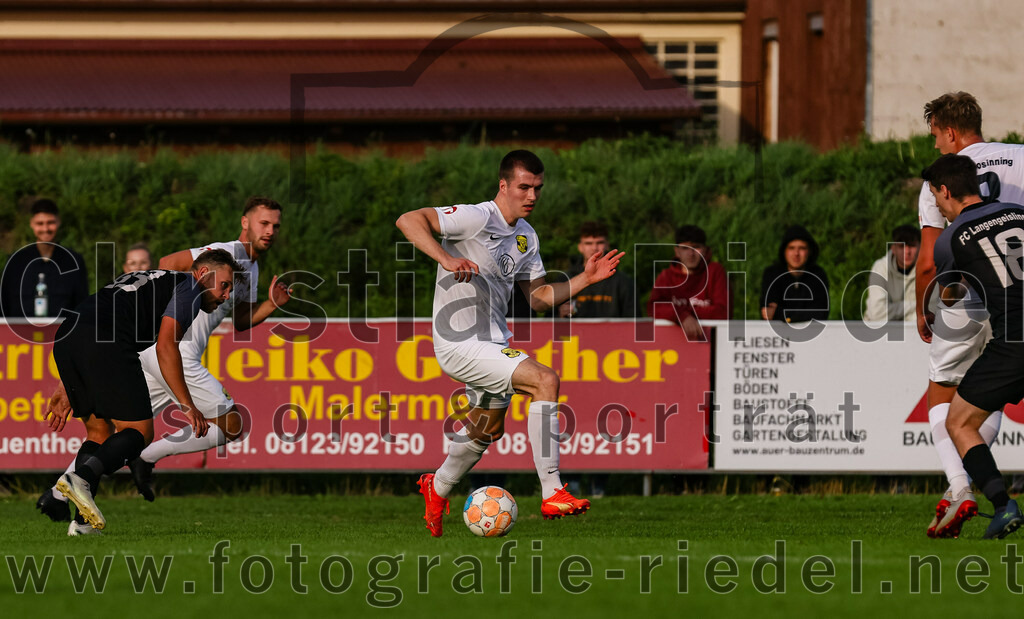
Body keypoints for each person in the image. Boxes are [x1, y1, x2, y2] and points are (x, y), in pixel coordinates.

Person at [395, 150, 623, 537]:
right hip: (458, 342)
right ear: (504, 186)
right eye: (523, 187)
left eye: (537, 188)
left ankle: (437, 488)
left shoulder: (526, 236)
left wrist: (584, 280)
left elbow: (538, 298)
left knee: (486, 431)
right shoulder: (475, 217)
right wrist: (444, 258)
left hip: (492, 342)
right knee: (545, 380)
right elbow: (408, 220)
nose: (532, 196)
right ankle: (552, 492)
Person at [35, 197, 290, 524]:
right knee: (223, 426)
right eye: (263, 223)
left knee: (103, 430)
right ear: (245, 223)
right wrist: (174, 311)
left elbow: (239, 320)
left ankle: (64, 503)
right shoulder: (226, 257)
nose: (269, 231)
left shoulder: (248, 269)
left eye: (275, 226)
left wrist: (271, 304)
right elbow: (172, 264)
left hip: (83, 334)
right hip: (172, 354)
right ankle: (137, 461)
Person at [45, 249, 241, 534]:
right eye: (224, 285)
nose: (226, 295)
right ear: (202, 274)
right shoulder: (190, 289)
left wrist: (66, 381)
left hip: (67, 336)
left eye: (231, 289)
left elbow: (99, 311)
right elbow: (165, 346)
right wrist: (187, 405)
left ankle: (83, 524)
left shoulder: (152, 277)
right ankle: (81, 478)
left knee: (100, 432)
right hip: (106, 340)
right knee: (139, 432)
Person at [914, 92, 1024, 538]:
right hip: (1016, 289)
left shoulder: (938, 181)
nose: (937, 145)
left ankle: (961, 486)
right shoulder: (1020, 156)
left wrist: (925, 310)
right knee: (984, 396)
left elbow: (928, 262)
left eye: (937, 137)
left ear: (952, 133)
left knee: (945, 395)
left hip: (969, 296)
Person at [0, 198, 88, 318]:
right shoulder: (16, 262)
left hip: (62, 334)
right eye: (40, 224)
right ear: (32, 224)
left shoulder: (73, 262)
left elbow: (81, 306)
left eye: (50, 222)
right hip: (20, 334)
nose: (45, 229)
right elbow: (3, 304)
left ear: (58, 222)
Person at [647, 224, 730, 340]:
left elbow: (723, 311)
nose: (691, 254)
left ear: (705, 250)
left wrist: (687, 314)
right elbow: (653, 308)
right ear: (677, 251)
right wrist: (682, 315)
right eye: (685, 248)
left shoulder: (715, 271)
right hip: (672, 347)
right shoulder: (666, 276)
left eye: (696, 247)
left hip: (711, 344)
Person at [558, 221, 638, 319]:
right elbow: (546, 322)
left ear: (607, 245)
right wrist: (559, 315)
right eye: (588, 243)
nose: (594, 248)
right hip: (574, 334)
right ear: (580, 247)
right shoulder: (564, 279)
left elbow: (634, 322)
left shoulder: (624, 282)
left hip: (612, 333)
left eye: (599, 243)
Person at [760, 225, 829, 323]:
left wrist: (782, 314)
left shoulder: (818, 275)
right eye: (791, 248)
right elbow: (767, 312)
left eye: (802, 248)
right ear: (784, 251)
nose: (796, 253)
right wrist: (803, 315)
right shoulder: (772, 274)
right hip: (776, 336)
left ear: (809, 251)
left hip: (810, 335)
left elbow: (821, 313)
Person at [864, 225, 920, 322]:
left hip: (914, 334)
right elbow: (877, 314)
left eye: (911, 245)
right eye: (901, 246)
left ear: (920, 247)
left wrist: (891, 311)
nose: (907, 251)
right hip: (877, 332)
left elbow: (929, 315)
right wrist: (914, 305)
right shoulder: (880, 267)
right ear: (893, 248)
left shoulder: (930, 270)